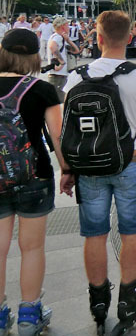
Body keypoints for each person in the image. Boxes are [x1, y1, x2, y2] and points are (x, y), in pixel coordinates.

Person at [61, 10, 136, 335]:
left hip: (89, 166)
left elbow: (69, 130)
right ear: (130, 37)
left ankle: (98, 302)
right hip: (130, 162)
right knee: (131, 231)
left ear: (98, 37)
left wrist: (67, 168)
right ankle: (129, 298)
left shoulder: (76, 77)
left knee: (94, 233)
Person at [0, 29, 66, 336]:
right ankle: (29, 315)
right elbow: (57, 136)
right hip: (35, 175)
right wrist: (67, 170)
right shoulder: (42, 89)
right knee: (32, 247)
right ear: (33, 56)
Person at [46, 17, 80, 102]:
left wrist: (68, 40)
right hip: (58, 75)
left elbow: (76, 50)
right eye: (67, 25)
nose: (69, 27)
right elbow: (52, 46)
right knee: (59, 100)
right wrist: (62, 62)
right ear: (63, 26)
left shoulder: (59, 38)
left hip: (59, 74)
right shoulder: (58, 37)